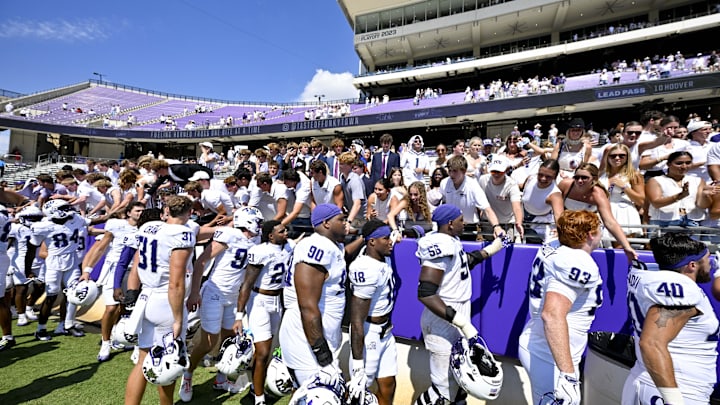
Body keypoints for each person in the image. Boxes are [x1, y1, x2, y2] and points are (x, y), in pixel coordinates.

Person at [413, 204, 508, 405]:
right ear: (449, 223)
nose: (463, 223)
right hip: (442, 321)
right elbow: (426, 293)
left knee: (458, 388)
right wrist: (464, 324)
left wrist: (495, 247)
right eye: (460, 220)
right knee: (443, 392)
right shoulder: (440, 244)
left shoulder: (451, 241)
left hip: (454, 318)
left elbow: (466, 260)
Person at [518, 210, 604, 405]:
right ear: (590, 234)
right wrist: (567, 374)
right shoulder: (577, 261)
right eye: (600, 230)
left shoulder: (554, 245)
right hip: (551, 356)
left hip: (543, 345)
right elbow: (552, 315)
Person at [622, 232, 718, 404]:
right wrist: (673, 400)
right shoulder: (679, 289)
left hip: (649, 382)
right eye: (707, 259)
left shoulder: (650, 275)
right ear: (692, 265)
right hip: (676, 389)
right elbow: (651, 343)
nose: (711, 265)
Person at [179, 207, 263, 401]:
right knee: (208, 342)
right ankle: (188, 374)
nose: (259, 226)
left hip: (234, 296)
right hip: (215, 292)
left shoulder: (255, 239)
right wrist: (193, 292)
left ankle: (221, 377)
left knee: (228, 339)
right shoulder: (229, 235)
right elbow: (201, 261)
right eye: (256, 221)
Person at [277, 204, 363, 386]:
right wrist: (323, 357)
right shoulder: (316, 246)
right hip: (305, 339)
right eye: (341, 220)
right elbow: (307, 307)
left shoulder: (330, 246)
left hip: (317, 335)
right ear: (326, 223)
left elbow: (341, 256)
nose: (346, 224)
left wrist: (364, 237)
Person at [124, 196, 196, 405]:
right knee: (169, 363)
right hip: (166, 301)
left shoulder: (149, 227)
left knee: (143, 359)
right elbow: (176, 282)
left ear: (166, 210)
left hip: (147, 297)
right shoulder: (182, 233)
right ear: (189, 213)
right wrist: (178, 318)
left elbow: (137, 263)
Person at [235, 220, 295, 405]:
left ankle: (255, 387)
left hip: (278, 301)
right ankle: (259, 399)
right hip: (259, 301)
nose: (286, 233)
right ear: (270, 235)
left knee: (266, 352)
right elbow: (247, 284)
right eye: (281, 231)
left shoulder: (289, 246)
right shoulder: (260, 251)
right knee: (262, 351)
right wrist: (239, 315)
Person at [80, 202, 145, 362]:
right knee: (111, 308)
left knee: (133, 308)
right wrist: (87, 270)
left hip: (136, 270)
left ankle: (133, 342)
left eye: (143, 211)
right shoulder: (116, 225)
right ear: (128, 212)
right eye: (137, 210)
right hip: (114, 268)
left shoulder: (147, 228)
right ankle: (106, 342)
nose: (140, 213)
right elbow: (100, 247)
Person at [347, 219, 398, 405]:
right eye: (386, 238)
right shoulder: (365, 268)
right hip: (369, 334)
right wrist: (358, 364)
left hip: (386, 332)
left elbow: (393, 235)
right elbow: (357, 320)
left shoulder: (381, 255)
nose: (390, 242)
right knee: (359, 390)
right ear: (372, 241)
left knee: (388, 385)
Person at [28, 200, 91, 341]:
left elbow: (93, 221)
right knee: (51, 296)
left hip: (73, 262)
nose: (68, 209)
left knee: (73, 294)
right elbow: (32, 247)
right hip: (53, 264)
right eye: (63, 207)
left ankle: (67, 325)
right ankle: (41, 329)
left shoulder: (76, 219)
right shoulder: (43, 226)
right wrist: (28, 269)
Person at [558, 163, 637, 261]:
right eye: (576, 177)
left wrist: (626, 247)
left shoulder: (598, 194)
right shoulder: (565, 185)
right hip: (565, 228)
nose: (579, 181)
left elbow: (610, 222)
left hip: (588, 233)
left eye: (584, 178)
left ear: (594, 179)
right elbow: (556, 209)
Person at [439, 155, 503, 240]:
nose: (451, 174)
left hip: (468, 228)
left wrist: (496, 227)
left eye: (455, 171)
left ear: (464, 171)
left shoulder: (473, 186)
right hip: (449, 228)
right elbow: (443, 204)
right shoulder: (444, 183)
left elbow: (487, 209)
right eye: (450, 171)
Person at [645, 151, 714, 228]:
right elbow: (656, 203)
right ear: (668, 164)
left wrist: (705, 195)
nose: (684, 166)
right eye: (679, 163)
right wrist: (679, 197)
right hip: (663, 222)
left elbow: (702, 205)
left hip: (691, 222)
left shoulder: (697, 181)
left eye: (688, 163)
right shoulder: (656, 181)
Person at [599, 144, 644, 241]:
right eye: (613, 156)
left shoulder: (634, 175)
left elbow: (641, 201)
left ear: (627, 157)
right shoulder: (602, 174)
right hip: (603, 210)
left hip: (623, 212)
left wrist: (624, 187)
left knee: (620, 247)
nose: (617, 158)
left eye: (621, 156)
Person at [478, 156, 524, 241]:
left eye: (499, 172)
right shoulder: (482, 180)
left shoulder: (512, 185)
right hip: (488, 222)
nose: (496, 174)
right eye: (493, 171)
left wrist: (519, 222)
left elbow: (516, 206)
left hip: (507, 222)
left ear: (506, 170)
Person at [520, 159, 563, 243]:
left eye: (548, 176)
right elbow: (522, 187)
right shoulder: (531, 178)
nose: (543, 178)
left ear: (555, 177)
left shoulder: (555, 194)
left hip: (538, 222)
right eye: (540, 174)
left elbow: (559, 215)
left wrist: (559, 230)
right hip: (521, 213)